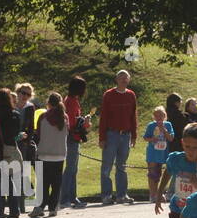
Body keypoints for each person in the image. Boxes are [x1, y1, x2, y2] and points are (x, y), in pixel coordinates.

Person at [98, 70, 137, 205]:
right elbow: (103, 117)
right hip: (111, 134)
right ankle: (106, 195)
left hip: (125, 135)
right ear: (116, 79)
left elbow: (133, 116)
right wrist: (102, 138)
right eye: (121, 78)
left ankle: (121, 195)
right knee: (107, 166)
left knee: (122, 166)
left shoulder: (131, 95)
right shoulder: (108, 95)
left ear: (129, 80)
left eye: (126, 78)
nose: (123, 80)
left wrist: (134, 135)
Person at [0, 88, 23, 218]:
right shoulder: (15, 114)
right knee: (9, 181)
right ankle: (15, 209)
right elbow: (15, 134)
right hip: (9, 149)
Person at [32, 92, 68, 218]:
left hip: (44, 153)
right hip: (59, 153)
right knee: (56, 182)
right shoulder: (65, 117)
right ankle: (53, 208)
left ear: (48, 103)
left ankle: (40, 206)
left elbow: (38, 135)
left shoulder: (43, 116)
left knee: (43, 182)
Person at [61, 76, 89, 209]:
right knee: (70, 169)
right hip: (72, 138)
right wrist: (84, 124)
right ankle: (65, 198)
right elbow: (72, 123)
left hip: (75, 138)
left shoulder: (73, 100)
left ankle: (72, 197)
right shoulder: (71, 101)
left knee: (73, 169)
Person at [143, 106, 175, 202]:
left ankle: (157, 193)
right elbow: (145, 137)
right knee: (152, 173)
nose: (158, 117)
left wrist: (164, 130)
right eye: (156, 115)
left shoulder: (168, 125)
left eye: (161, 115)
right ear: (153, 117)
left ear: (164, 116)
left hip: (163, 151)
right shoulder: (151, 125)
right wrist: (152, 139)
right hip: (153, 152)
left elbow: (171, 138)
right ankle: (152, 195)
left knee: (158, 174)